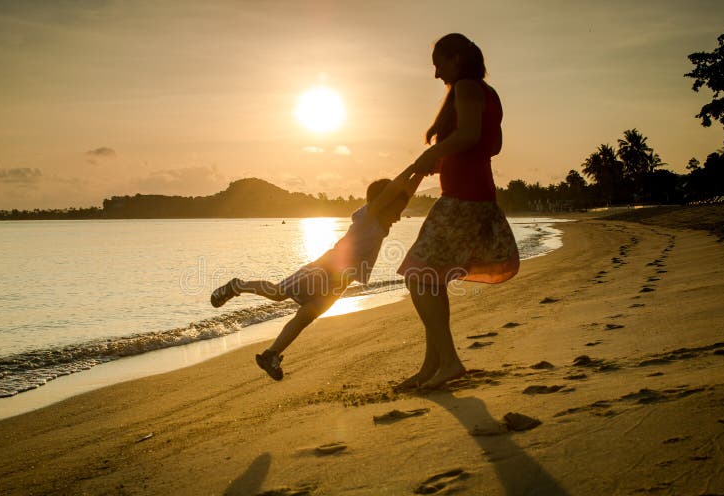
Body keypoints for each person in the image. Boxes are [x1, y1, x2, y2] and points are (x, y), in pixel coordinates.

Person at [211, 165, 423, 381]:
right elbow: (393, 192)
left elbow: (404, 195)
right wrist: (415, 167)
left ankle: (271, 354)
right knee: (277, 293)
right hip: (323, 269)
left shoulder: (382, 224)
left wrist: (422, 173)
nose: (398, 217)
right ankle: (237, 286)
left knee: (305, 317)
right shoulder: (368, 216)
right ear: (383, 203)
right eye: (395, 210)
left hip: (340, 283)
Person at [396, 33, 520, 390]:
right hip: (475, 195)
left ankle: (448, 361)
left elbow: (468, 135)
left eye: (438, 64)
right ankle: (433, 364)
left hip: (463, 200)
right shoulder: (487, 93)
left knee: (418, 274)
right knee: (429, 277)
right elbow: (490, 145)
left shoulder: (467, 87)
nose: (436, 74)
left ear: (454, 59)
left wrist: (432, 155)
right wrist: (445, 159)